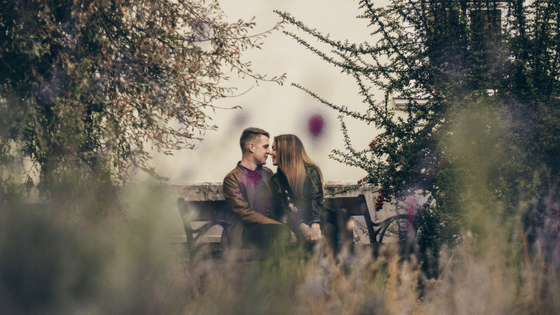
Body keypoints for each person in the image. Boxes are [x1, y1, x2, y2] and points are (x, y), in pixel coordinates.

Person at [223, 127, 292, 250]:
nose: (269, 152)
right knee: (279, 233)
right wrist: (279, 226)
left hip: (274, 229)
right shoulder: (232, 179)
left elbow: (281, 203)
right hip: (247, 232)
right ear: (251, 147)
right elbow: (245, 214)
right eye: (265, 147)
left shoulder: (268, 173)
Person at [270, 134, 335, 251]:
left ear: (285, 150)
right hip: (293, 223)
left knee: (332, 228)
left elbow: (316, 199)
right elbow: (282, 209)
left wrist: (314, 225)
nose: (270, 152)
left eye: (274, 149)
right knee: (306, 237)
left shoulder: (311, 171)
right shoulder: (275, 180)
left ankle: (341, 266)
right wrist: (301, 226)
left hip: (313, 219)